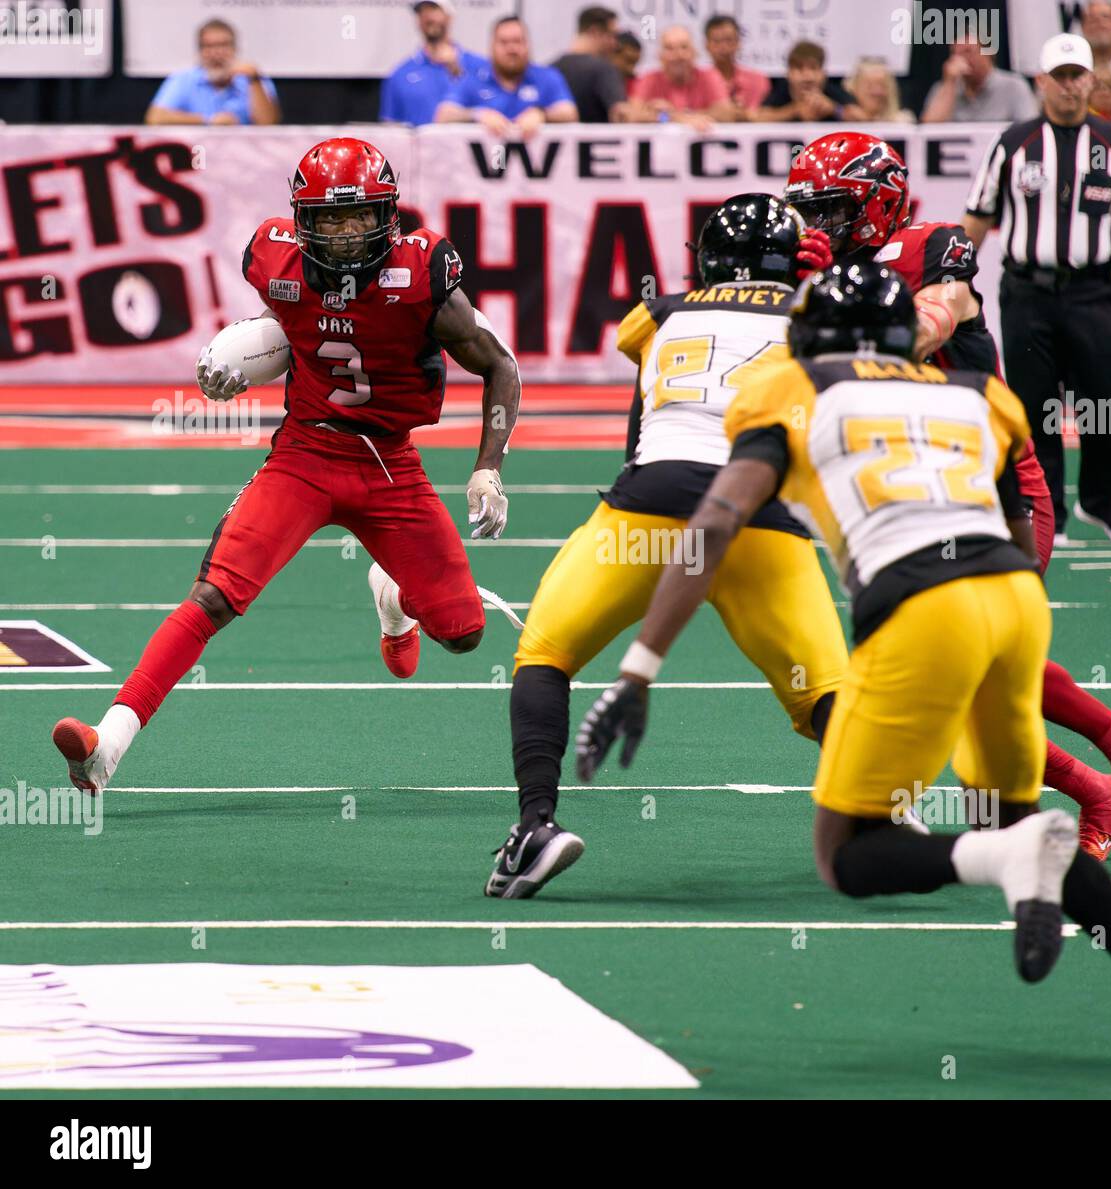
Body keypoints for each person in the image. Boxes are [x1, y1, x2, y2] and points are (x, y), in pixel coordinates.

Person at [574, 263, 1111, 1070]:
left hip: (919, 603)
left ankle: (1002, 858)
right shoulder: (976, 393)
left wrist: (639, 666)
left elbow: (715, 521)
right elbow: (1015, 514)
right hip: (1013, 600)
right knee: (1016, 815)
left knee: (849, 855)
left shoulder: (791, 386)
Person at [51, 138, 520, 795]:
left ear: (388, 215)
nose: (347, 235)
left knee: (465, 633)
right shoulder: (274, 261)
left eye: (359, 217)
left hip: (390, 463)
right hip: (307, 452)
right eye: (329, 220)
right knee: (214, 595)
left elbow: (499, 364)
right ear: (302, 221)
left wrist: (488, 467)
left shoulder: (421, 273)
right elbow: (291, 325)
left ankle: (395, 603)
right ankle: (107, 743)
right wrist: (240, 356)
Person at [788, 130, 1111, 861]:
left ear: (874, 206)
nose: (821, 229)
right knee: (973, 664)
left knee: (984, 647)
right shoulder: (836, 275)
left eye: (834, 212)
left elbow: (926, 323)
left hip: (994, 478)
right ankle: (1107, 773)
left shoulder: (933, 247)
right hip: (913, 484)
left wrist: (820, 307)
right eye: (812, 215)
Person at [485, 195, 847, 898]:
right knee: (826, 694)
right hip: (762, 520)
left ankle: (536, 825)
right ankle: (885, 806)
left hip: (651, 505)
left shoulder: (661, 313)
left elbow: (647, 387)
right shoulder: (822, 318)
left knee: (546, 652)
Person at [964, 33, 1111, 554]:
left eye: (1077, 75)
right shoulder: (1013, 143)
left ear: (1090, 80)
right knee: (1034, 403)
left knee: (1105, 395)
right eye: (1058, 76)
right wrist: (953, 277)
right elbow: (978, 217)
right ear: (1041, 82)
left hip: (1093, 291)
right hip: (1027, 291)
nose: (1068, 86)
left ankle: (1101, 498)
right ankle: (1048, 504)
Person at [437, 16, 577, 137]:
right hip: (490, 162)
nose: (511, 49)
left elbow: (569, 113)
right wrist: (478, 115)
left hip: (535, 165)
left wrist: (542, 114)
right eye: (504, 42)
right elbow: (444, 115)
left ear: (528, 45)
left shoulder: (547, 77)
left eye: (517, 41)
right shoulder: (473, 79)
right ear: (492, 46)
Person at [145, 18, 279, 126]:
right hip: (197, 155)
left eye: (223, 45)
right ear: (200, 51)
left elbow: (269, 123)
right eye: (209, 46)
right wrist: (209, 120)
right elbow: (155, 118)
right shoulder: (183, 79)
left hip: (245, 155)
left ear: (235, 49)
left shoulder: (252, 79)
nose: (216, 53)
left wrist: (254, 80)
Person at [379, 1, 488, 126]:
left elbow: (495, 113)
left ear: (449, 16)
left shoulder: (480, 68)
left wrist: (458, 71)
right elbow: (390, 127)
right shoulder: (400, 75)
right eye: (422, 12)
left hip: (467, 144)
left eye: (434, 9)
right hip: (418, 145)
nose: (428, 16)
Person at [628, 24, 731, 130]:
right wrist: (675, 118)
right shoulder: (649, 79)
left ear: (694, 53)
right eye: (670, 48)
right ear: (660, 56)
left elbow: (725, 113)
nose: (678, 55)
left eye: (684, 47)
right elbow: (632, 115)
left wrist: (673, 115)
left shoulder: (709, 76)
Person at [920, 36, 1038, 123]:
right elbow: (929, 129)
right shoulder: (944, 88)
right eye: (955, 53)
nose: (960, 59)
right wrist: (949, 83)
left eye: (968, 52)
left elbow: (1030, 129)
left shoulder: (1014, 86)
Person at [551, 5, 631, 123]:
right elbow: (621, 113)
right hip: (600, 141)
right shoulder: (604, 70)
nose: (615, 44)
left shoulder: (551, 69)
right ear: (594, 31)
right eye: (612, 35)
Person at [762, 41, 854, 122]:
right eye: (799, 68)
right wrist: (794, 111)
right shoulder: (780, 92)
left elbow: (861, 115)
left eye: (813, 68)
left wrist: (834, 109)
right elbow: (758, 116)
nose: (807, 76)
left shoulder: (833, 91)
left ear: (823, 73)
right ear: (789, 73)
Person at [704, 14, 770, 120]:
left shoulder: (757, 80)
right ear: (706, 45)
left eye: (728, 40)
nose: (723, 46)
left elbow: (763, 114)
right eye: (716, 41)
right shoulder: (698, 80)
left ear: (738, 42)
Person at [844, 57, 915, 123]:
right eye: (869, 86)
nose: (877, 91)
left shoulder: (902, 123)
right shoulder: (839, 119)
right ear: (853, 87)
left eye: (882, 85)